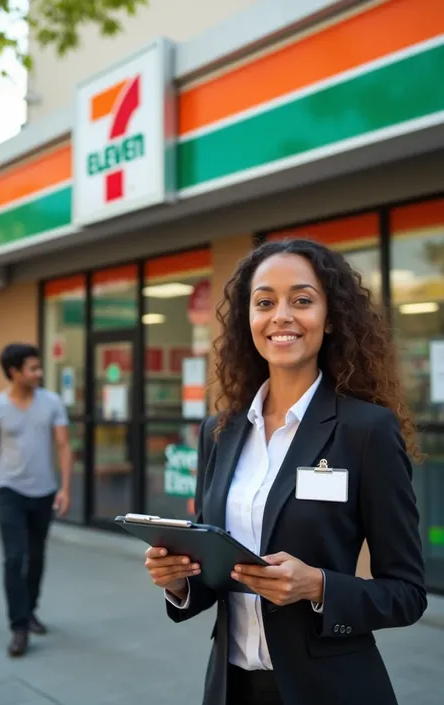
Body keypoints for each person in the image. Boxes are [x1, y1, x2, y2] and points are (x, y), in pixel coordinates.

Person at [145, 239, 427, 705]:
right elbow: (215, 574)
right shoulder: (219, 431)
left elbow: (407, 593)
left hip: (330, 689)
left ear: (331, 317)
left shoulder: (366, 431)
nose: (281, 315)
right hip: (231, 688)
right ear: (248, 320)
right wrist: (178, 581)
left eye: (301, 300)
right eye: (264, 302)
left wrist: (317, 586)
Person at [0, 343, 72, 658]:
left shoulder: (52, 402)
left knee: (36, 557)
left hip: (43, 491)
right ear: (14, 372)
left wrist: (65, 488)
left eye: (39, 367)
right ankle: (19, 627)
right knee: (14, 558)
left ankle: (29, 609)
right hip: (10, 491)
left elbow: (63, 446)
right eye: (32, 368)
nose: (39, 373)